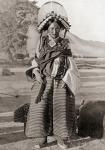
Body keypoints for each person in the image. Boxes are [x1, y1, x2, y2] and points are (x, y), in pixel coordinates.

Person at [25, 1, 80, 149]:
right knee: (40, 109)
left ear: (60, 29)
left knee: (61, 110)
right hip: (43, 81)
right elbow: (35, 60)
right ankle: (42, 138)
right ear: (47, 29)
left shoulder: (65, 44)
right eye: (51, 28)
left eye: (57, 28)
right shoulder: (40, 43)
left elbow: (71, 64)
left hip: (60, 82)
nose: (54, 31)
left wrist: (66, 79)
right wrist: (36, 72)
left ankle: (62, 139)